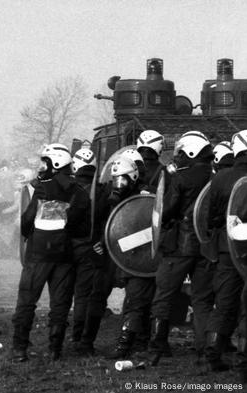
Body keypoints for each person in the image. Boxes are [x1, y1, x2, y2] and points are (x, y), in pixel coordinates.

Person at [11, 143, 88, 361]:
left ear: (55, 163)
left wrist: (28, 234)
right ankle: (55, 349)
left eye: (45, 162)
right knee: (60, 304)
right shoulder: (79, 192)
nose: (41, 166)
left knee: (27, 301)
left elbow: (27, 220)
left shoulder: (42, 188)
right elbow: (83, 228)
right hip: (64, 256)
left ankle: (19, 349)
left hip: (38, 255)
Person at [149, 131, 214, 362]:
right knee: (202, 299)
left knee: (163, 295)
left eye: (182, 153)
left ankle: (158, 347)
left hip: (179, 246)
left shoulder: (181, 178)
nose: (179, 157)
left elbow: (166, 211)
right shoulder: (215, 176)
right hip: (206, 246)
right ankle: (205, 349)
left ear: (191, 152)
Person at [206, 131, 247, 374]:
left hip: (227, 247)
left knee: (224, 302)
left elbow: (210, 216)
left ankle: (212, 352)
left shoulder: (221, 178)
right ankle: (244, 358)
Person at [105, 156, 155, 359]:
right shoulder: (118, 201)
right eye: (116, 179)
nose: (119, 184)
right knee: (138, 301)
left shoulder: (145, 197)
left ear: (132, 177)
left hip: (143, 258)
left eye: (122, 179)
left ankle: (125, 346)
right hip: (128, 257)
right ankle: (141, 342)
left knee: (136, 302)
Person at [68, 148, 99, 345]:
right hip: (90, 249)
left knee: (62, 295)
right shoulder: (102, 189)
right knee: (82, 295)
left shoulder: (66, 189)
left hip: (66, 247)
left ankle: (58, 339)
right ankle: (78, 336)